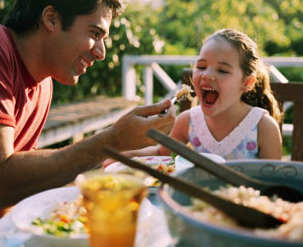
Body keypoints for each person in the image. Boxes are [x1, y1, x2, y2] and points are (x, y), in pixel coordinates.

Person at [0, 0, 175, 247]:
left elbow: (9, 196)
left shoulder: (43, 85)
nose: (101, 52)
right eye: (95, 33)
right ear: (51, 18)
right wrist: (111, 141)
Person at [104, 28, 282, 166]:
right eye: (201, 67)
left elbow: (271, 182)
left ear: (247, 83)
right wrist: (123, 157)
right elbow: (161, 154)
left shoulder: (263, 127)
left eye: (222, 70)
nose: (207, 75)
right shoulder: (188, 121)